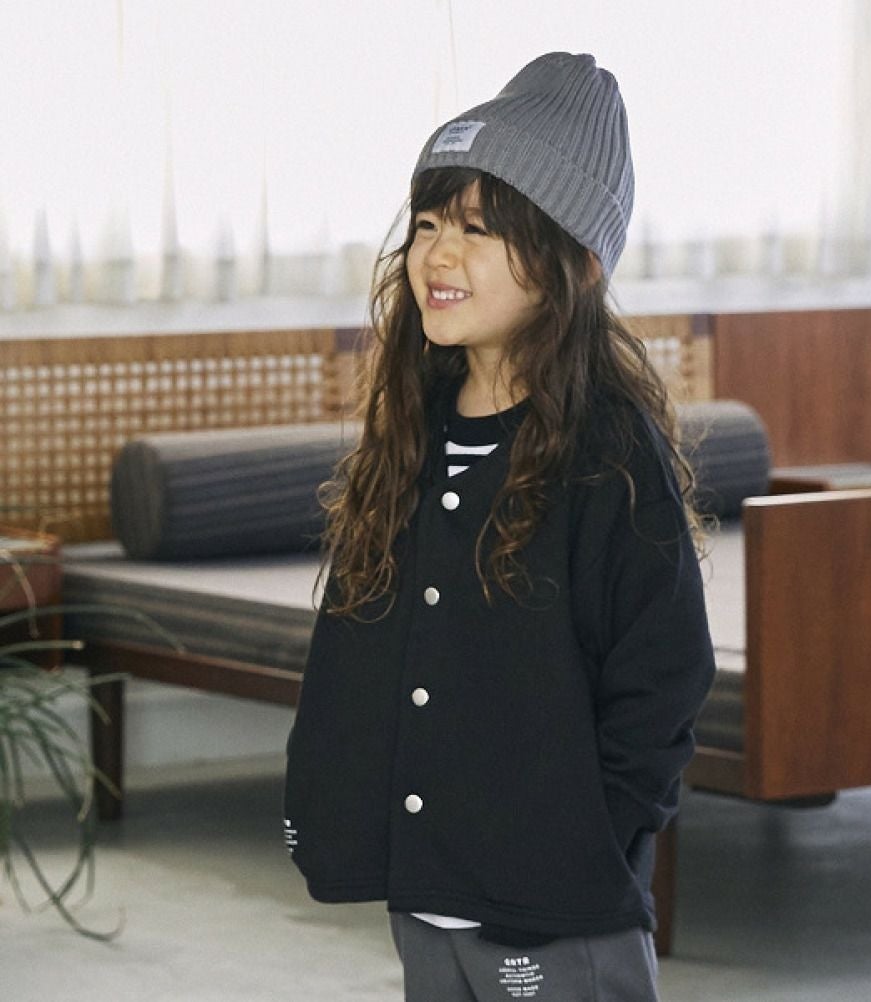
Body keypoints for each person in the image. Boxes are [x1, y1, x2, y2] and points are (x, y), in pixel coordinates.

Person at [284, 51, 716, 1002]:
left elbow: (664, 673)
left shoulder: (610, 453)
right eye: (429, 223)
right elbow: (358, 647)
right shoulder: (413, 432)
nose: (439, 255)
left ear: (576, 263)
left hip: (555, 911)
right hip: (428, 893)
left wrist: (590, 834)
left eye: (479, 229)